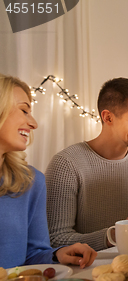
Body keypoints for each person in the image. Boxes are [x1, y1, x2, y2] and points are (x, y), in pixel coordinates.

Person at [46, 78, 128, 252]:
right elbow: (56, 240)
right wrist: (114, 235)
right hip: (86, 272)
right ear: (108, 117)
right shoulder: (66, 164)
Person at [0, 74, 96, 269]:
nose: (34, 123)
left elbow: (33, 253)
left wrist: (57, 254)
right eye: (24, 110)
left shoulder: (30, 182)